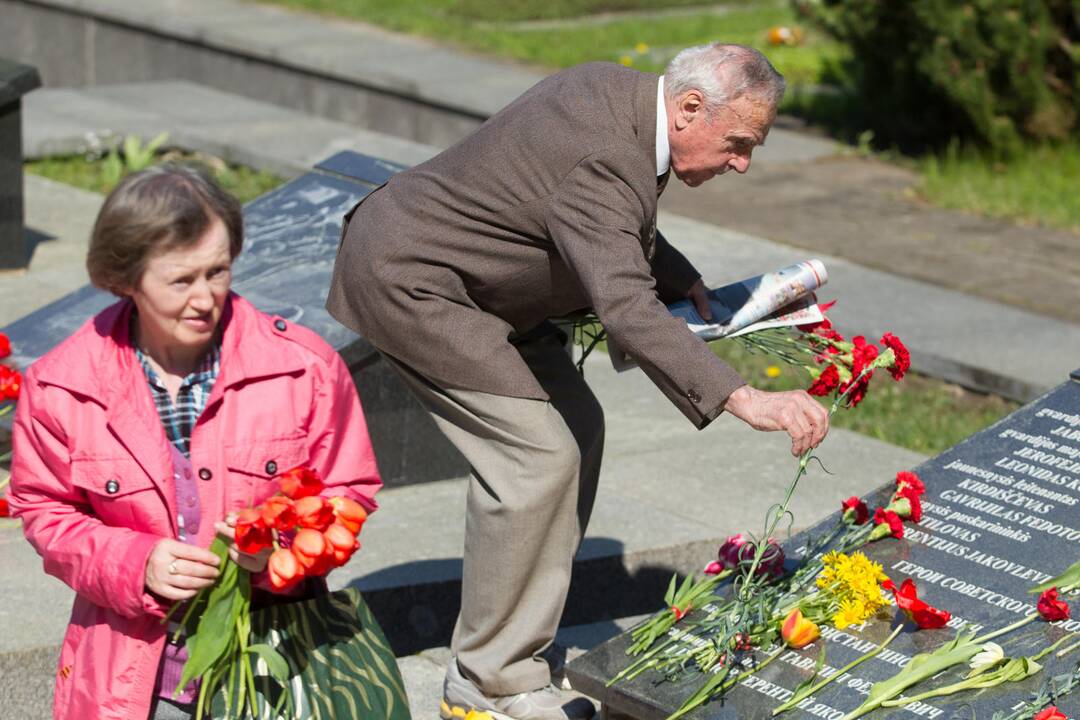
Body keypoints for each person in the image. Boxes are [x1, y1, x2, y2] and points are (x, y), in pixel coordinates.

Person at [326, 43, 828, 720]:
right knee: (536, 456)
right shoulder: (606, 152)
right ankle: (487, 681)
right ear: (687, 108)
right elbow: (623, 300)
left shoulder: (621, 98)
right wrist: (745, 397)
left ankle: (519, 649)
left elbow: (599, 219)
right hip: (419, 283)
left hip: (485, 285)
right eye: (738, 143)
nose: (741, 162)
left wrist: (679, 275)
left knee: (578, 429)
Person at [8, 165, 382, 720]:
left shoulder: (303, 369)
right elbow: (45, 511)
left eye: (218, 272)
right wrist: (136, 564)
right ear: (125, 278)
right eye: (181, 281)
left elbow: (348, 493)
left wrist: (276, 553)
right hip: (130, 680)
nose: (205, 298)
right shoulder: (63, 386)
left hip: (275, 671)